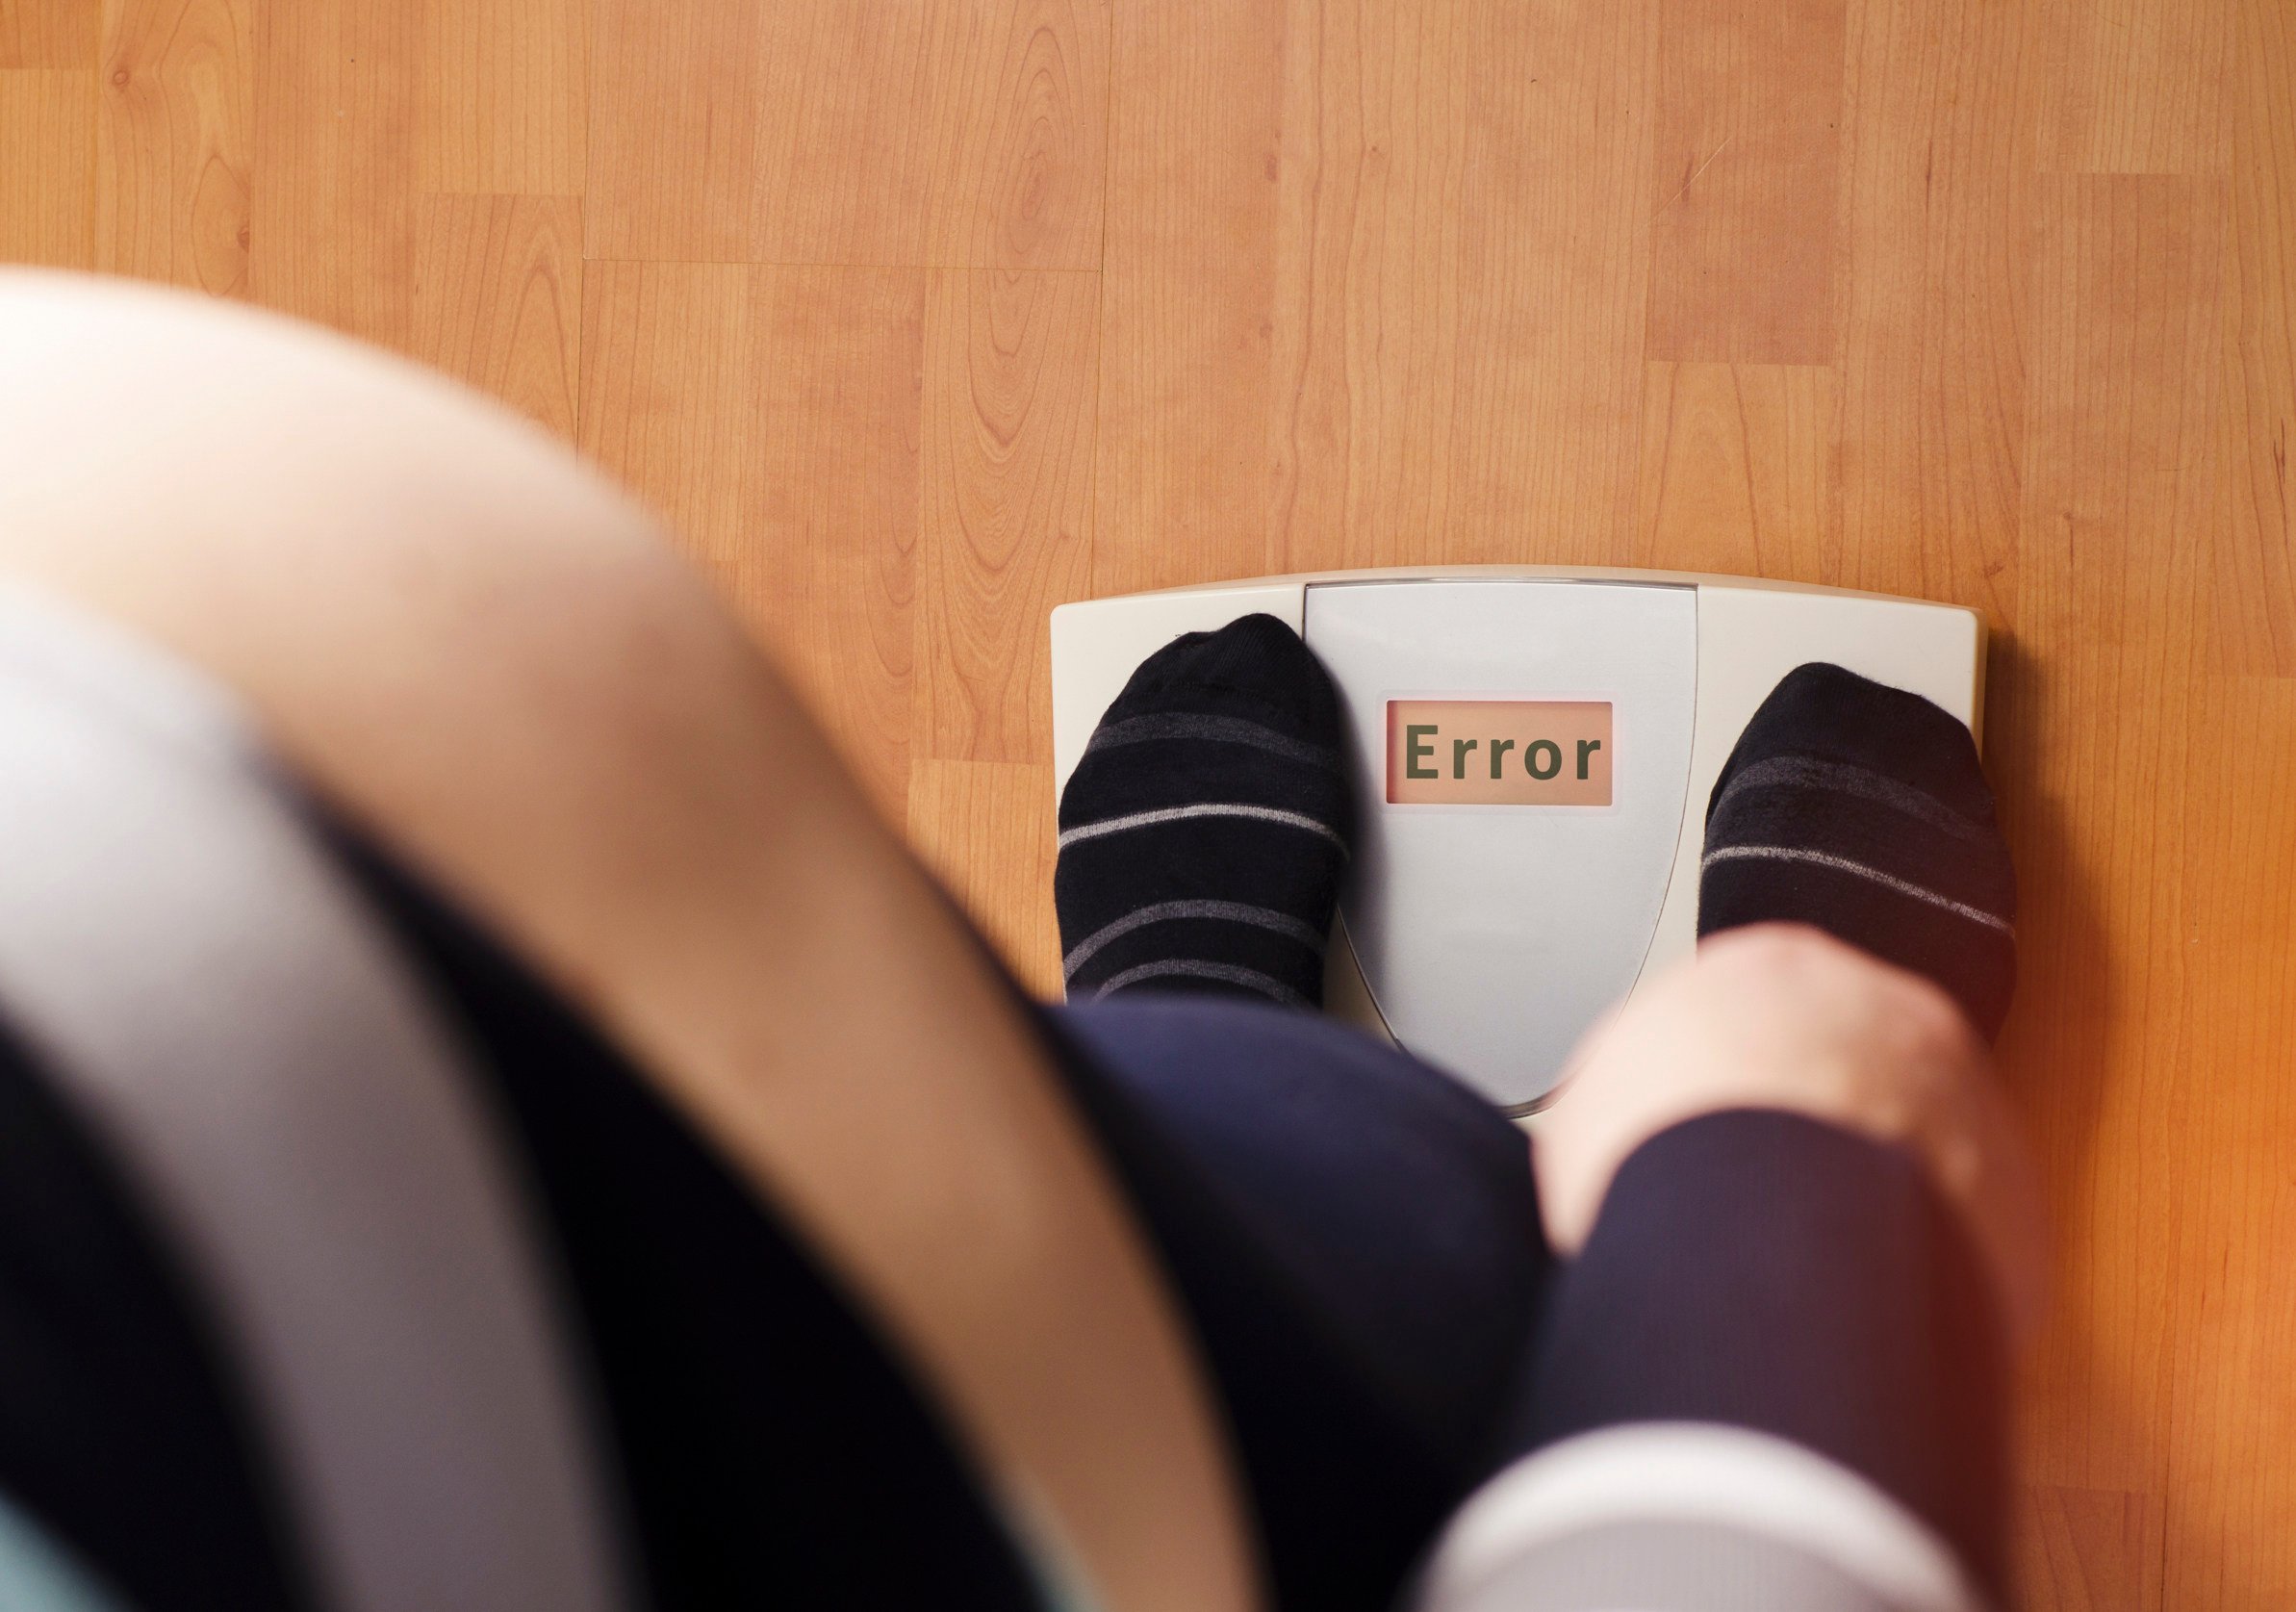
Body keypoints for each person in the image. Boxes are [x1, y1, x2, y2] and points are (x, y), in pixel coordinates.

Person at [0, 270, 2039, 1612]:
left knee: (1150, 1101)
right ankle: (1791, 985)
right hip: (1024, 1477)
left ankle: (1178, 1002)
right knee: (1403, 1218)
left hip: (548, 1176)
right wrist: (1799, 1167)